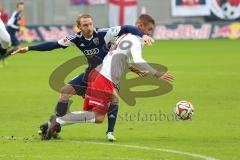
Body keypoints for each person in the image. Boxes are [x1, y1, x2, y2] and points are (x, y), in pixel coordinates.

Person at [13, 14, 154, 141]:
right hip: (90, 74)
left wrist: (142, 36)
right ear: (79, 27)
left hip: (106, 76)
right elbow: (53, 45)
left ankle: (109, 132)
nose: (89, 27)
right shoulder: (76, 38)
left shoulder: (104, 33)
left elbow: (127, 28)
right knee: (65, 92)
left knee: (112, 99)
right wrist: (29, 48)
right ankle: (56, 125)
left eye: (90, 24)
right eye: (85, 25)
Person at [45, 14, 174, 140]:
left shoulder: (124, 37)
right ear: (140, 26)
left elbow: (116, 55)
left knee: (108, 104)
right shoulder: (135, 39)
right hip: (104, 78)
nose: (150, 33)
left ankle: (109, 132)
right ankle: (58, 121)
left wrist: (130, 67)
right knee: (98, 117)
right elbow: (139, 60)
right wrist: (157, 74)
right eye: (149, 29)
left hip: (100, 75)